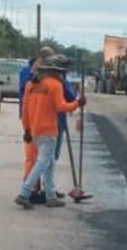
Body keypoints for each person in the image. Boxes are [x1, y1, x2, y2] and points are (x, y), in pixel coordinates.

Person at [16, 55, 85, 209]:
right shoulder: (55, 85)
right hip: (48, 130)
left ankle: (50, 196)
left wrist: (26, 128)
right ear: (55, 71)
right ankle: (24, 192)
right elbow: (61, 107)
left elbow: (25, 108)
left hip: (34, 130)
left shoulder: (31, 85)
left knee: (49, 163)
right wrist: (77, 104)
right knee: (43, 163)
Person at [18, 46, 57, 202]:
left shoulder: (49, 76)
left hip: (33, 123)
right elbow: (25, 99)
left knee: (47, 161)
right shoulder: (31, 76)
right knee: (37, 160)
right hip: (39, 124)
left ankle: (48, 193)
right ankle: (28, 190)